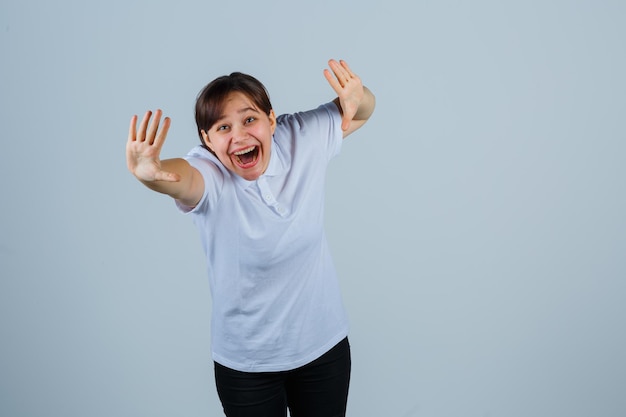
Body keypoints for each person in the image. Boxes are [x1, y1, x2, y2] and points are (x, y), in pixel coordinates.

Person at [126, 59, 375, 417]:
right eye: (223, 127)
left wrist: (359, 96)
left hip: (322, 348)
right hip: (247, 365)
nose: (239, 135)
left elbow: (361, 112)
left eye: (249, 119)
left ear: (271, 120)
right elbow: (180, 179)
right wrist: (150, 175)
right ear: (207, 141)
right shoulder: (208, 172)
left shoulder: (300, 137)